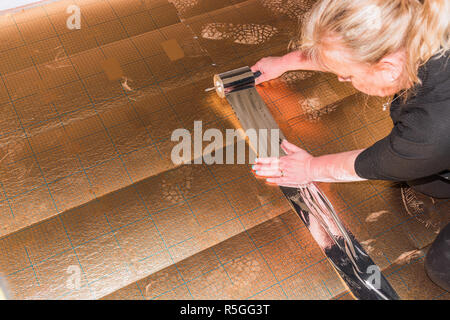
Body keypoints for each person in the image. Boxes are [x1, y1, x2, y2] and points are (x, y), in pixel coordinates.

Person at [251, 0, 449, 292]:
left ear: (390, 69)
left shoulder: (433, 124)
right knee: (426, 181)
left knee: (442, 265)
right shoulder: (420, 22)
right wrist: (283, 62)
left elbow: (383, 160)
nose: (343, 78)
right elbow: (352, 48)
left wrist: (308, 167)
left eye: (349, 75)